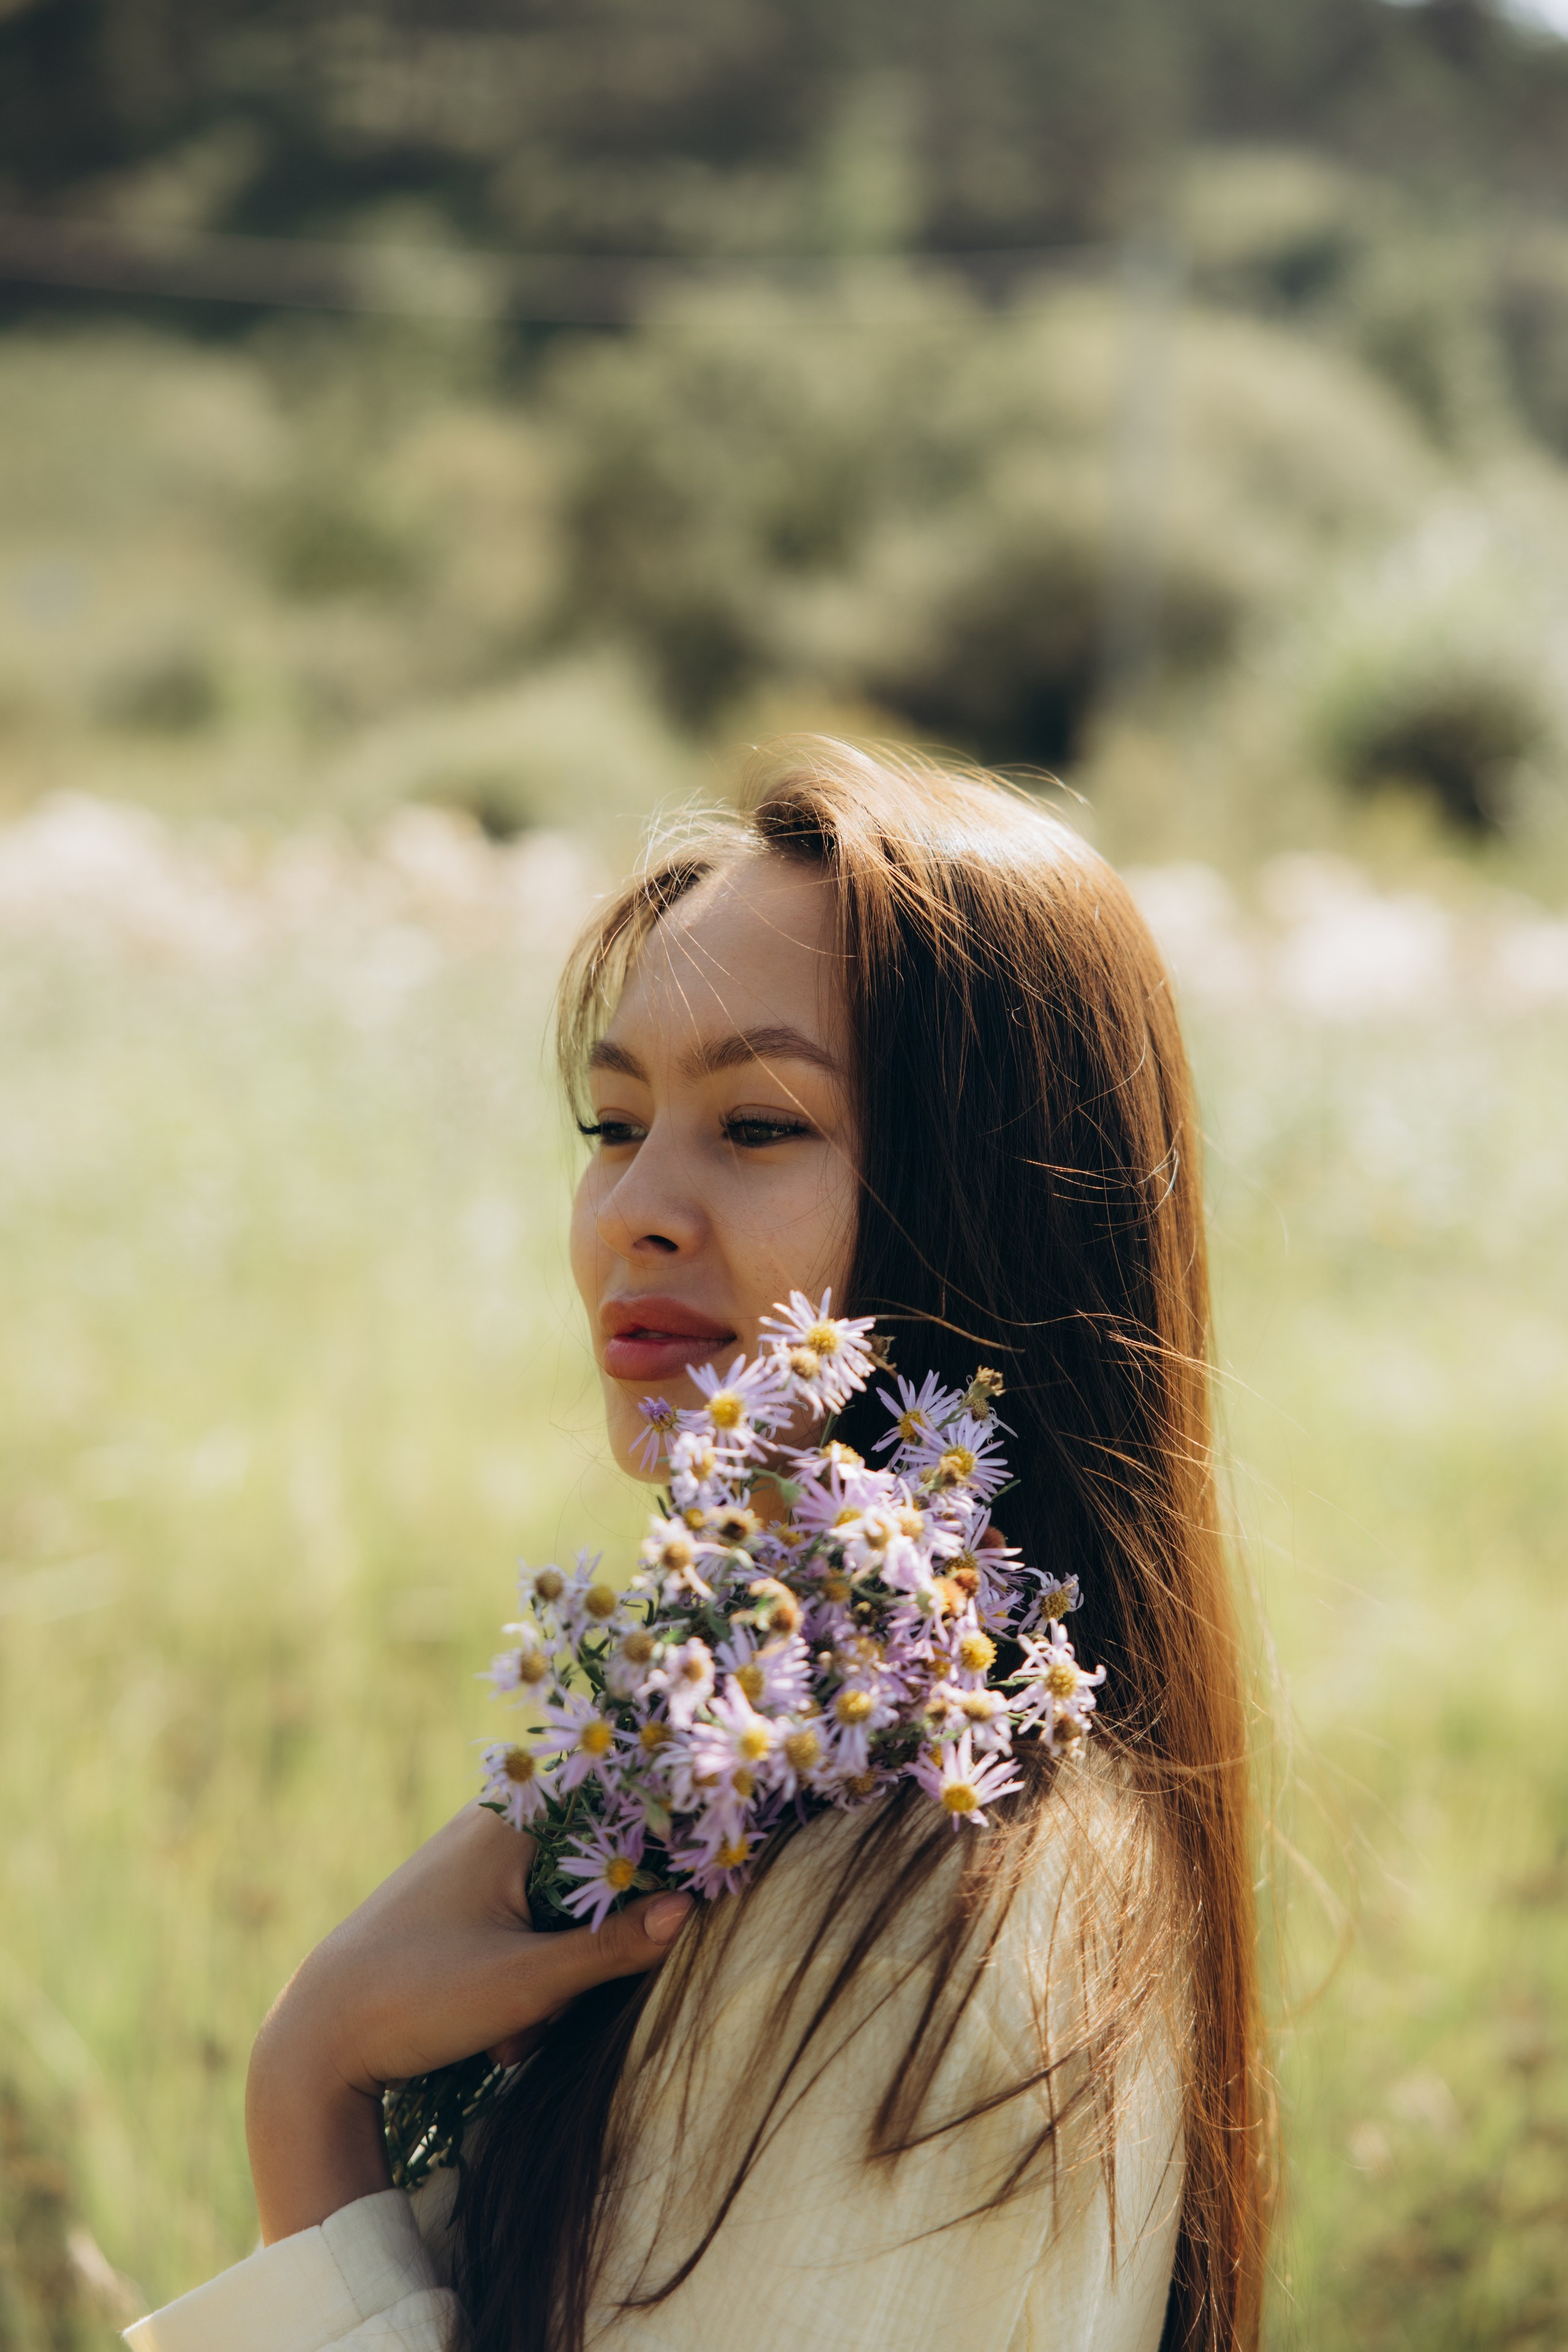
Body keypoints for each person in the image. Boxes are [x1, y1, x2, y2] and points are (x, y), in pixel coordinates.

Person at [126, 741, 1270, 2352]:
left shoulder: (937, 1888)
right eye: (609, 1123)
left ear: (1000, 1210)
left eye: (756, 1124)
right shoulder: (788, 1787)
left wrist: (310, 2088)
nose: (634, 1214)